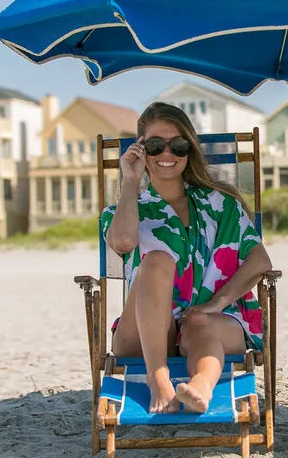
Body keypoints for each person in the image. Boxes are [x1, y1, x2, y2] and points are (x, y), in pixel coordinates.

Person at [103, 102, 273, 414]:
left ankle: (200, 388)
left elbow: (260, 262)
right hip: (143, 335)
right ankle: (158, 377)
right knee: (157, 260)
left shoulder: (221, 205)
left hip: (212, 325)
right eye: (155, 145)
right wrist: (129, 182)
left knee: (199, 320)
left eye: (177, 145)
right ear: (141, 150)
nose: (167, 154)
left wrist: (217, 303)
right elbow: (124, 241)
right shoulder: (122, 211)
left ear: (189, 149)